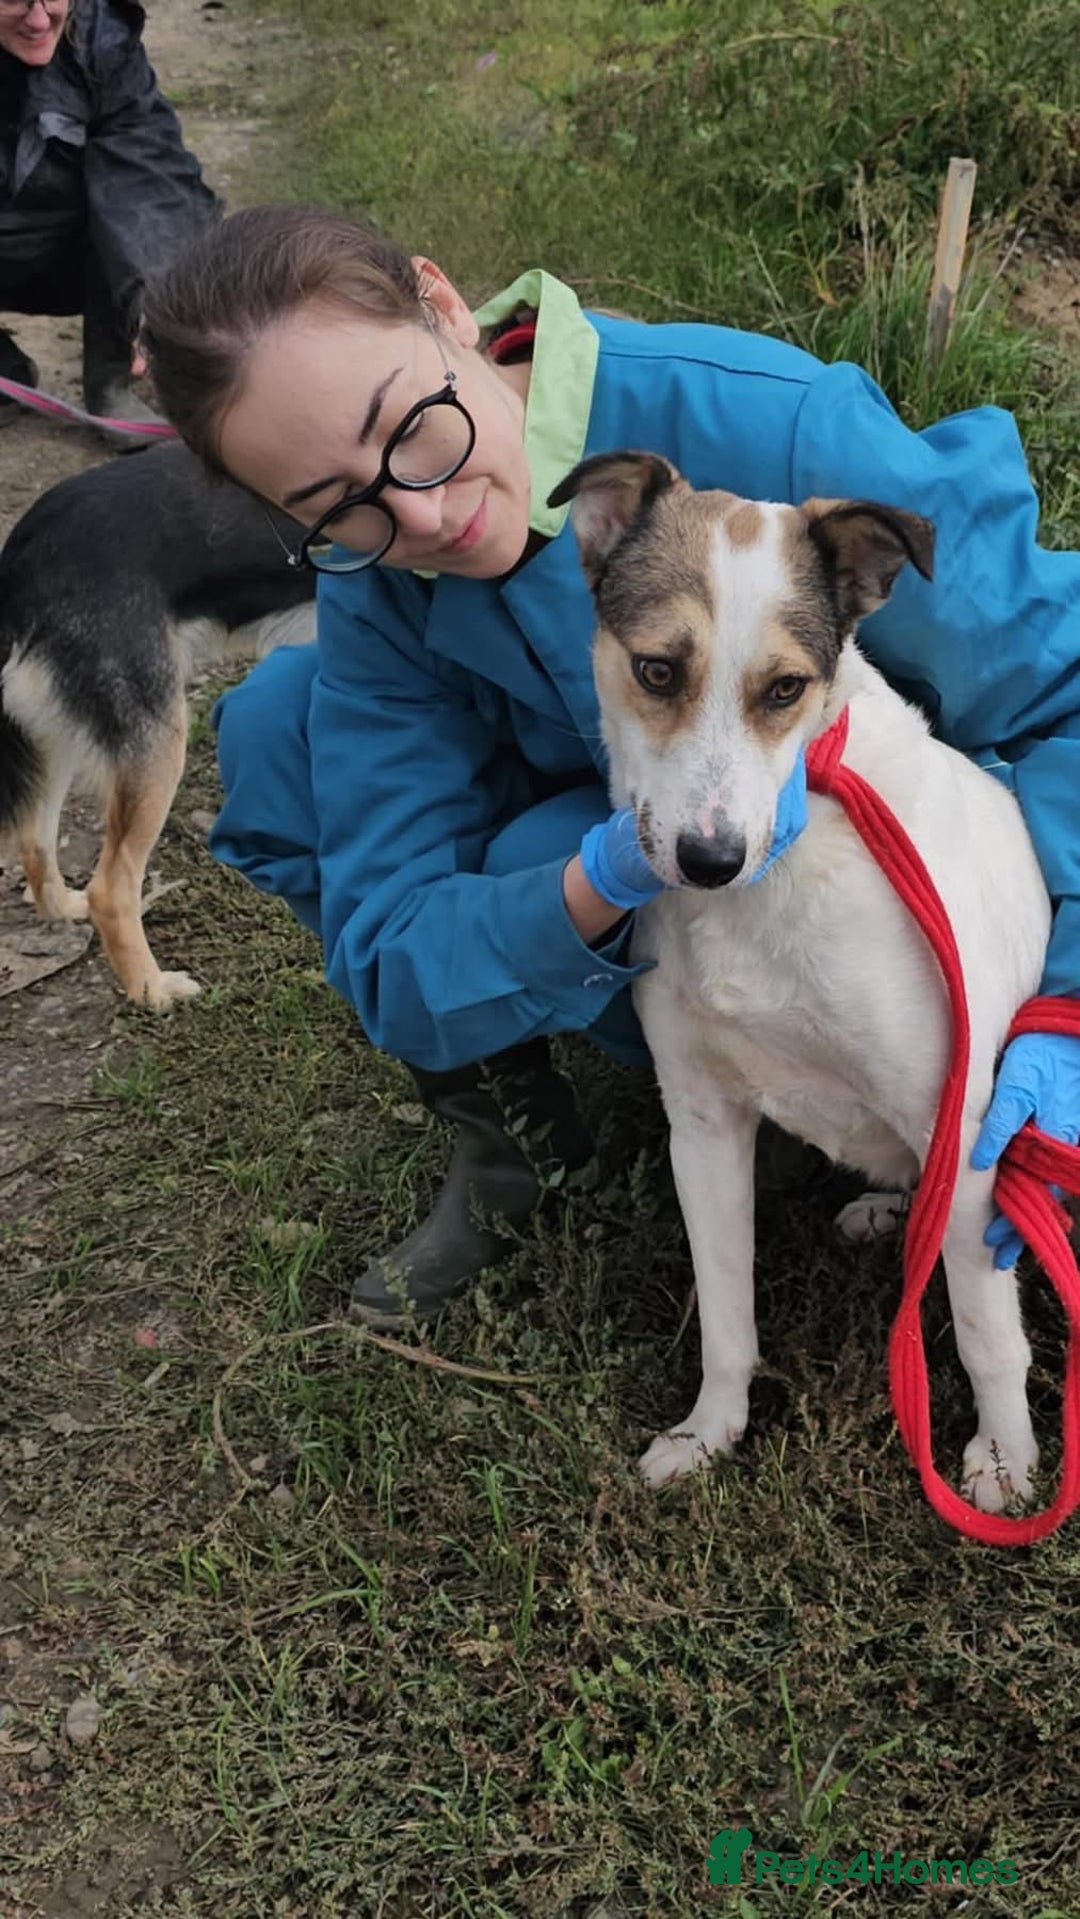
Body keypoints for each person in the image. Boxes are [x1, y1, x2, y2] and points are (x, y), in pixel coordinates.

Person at [140, 203, 1080, 1322]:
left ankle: (862, 1063)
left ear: (444, 306)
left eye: (412, 426)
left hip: (899, 865)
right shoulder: (376, 583)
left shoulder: (776, 427)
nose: (423, 511)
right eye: (336, 505)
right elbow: (390, 950)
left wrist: (1066, 997)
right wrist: (597, 877)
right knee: (275, 730)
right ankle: (525, 1133)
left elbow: (1063, 682)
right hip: (649, 843)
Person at [0, 0, 217, 433]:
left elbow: (151, 177)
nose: (40, 19)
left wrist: (157, 299)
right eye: (15, 1)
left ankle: (112, 377)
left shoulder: (103, 39)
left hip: (67, 246)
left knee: (155, 220)